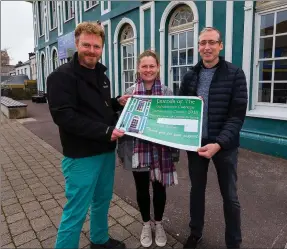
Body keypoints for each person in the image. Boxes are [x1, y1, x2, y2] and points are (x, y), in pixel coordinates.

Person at [46, 22, 131, 249]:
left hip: (105, 150)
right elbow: (64, 117)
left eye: (96, 46)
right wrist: (105, 131)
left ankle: (99, 239)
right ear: (77, 44)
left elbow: (97, 110)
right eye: (87, 45)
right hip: (81, 156)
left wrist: (116, 103)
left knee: (102, 200)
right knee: (76, 210)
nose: (91, 50)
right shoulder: (60, 77)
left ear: (102, 47)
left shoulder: (102, 76)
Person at [179, 27, 248, 249]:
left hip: (224, 147)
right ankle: (195, 232)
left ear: (220, 45)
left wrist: (218, 144)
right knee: (196, 191)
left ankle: (234, 243)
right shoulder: (190, 76)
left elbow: (237, 116)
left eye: (211, 42)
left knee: (230, 197)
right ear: (198, 47)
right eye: (202, 43)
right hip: (196, 144)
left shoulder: (235, 74)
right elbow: (181, 110)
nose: (206, 47)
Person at [117, 50, 179, 248]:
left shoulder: (168, 92)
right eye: (144, 66)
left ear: (158, 68)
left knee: (160, 188)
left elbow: (174, 120)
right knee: (142, 189)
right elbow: (123, 122)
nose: (148, 70)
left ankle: (158, 224)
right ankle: (145, 224)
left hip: (162, 150)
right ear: (138, 68)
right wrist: (119, 104)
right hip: (139, 150)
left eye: (152, 66)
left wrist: (193, 108)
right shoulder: (130, 92)